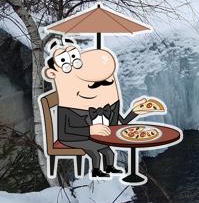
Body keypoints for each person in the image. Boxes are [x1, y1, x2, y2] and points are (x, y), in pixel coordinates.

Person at [42, 39, 162, 178]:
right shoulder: (67, 108)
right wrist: (90, 130)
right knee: (94, 150)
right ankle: (96, 172)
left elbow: (120, 123)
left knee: (109, 151)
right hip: (70, 137)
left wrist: (135, 111)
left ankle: (110, 168)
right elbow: (65, 131)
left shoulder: (97, 105)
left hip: (90, 135)